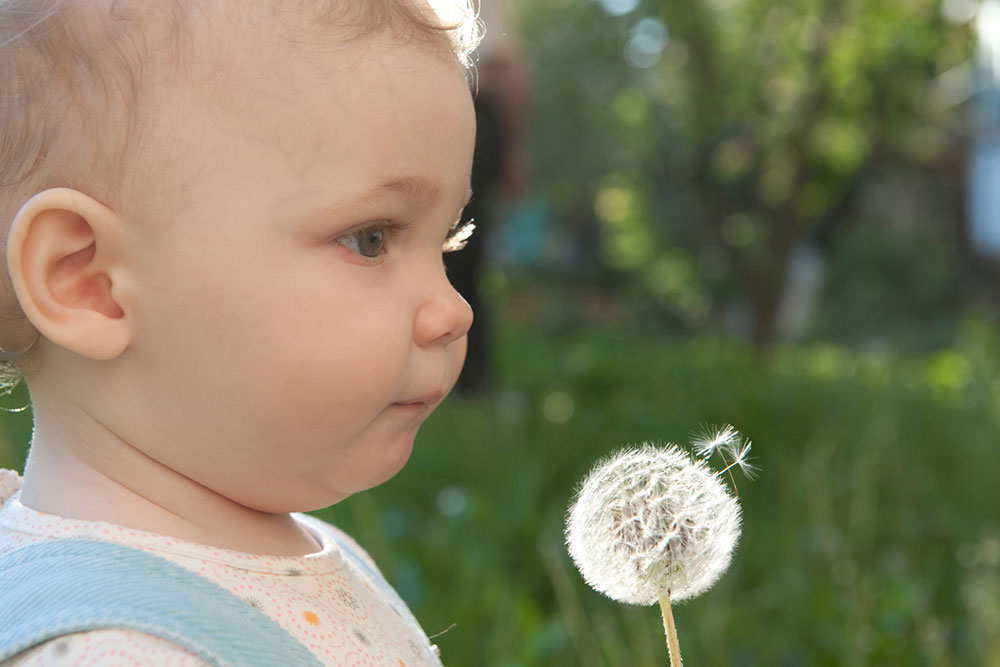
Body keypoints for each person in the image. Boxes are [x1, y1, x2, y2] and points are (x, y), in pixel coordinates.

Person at [0, 0, 480, 664]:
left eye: (448, 240)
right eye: (372, 238)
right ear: (90, 281)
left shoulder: (314, 554)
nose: (453, 310)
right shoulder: (109, 646)